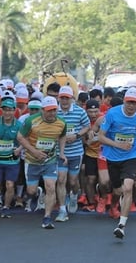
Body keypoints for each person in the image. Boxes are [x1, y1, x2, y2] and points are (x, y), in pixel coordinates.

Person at [98, 87, 136, 239]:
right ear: (124, 101)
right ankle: (114, 204)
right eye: (129, 102)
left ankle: (121, 225)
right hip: (113, 157)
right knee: (117, 191)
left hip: (131, 156)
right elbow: (101, 137)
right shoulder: (113, 113)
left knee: (128, 188)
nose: (131, 106)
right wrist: (118, 145)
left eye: (134, 103)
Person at [16, 96, 67, 229]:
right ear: (42, 110)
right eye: (49, 110)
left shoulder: (61, 123)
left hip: (50, 160)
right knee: (31, 191)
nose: (52, 113)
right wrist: (34, 151)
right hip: (32, 160)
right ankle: (36, 195)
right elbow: (20, 137)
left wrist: (61, 153)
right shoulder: (31, 121)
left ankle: (47, 217)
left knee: (51, 187)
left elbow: (62, 136)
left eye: (54, 110)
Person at [55, 86, 90, 221]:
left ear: (72, 99)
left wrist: (76, 135)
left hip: (75, 151)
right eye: (62, 98)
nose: (64, 101)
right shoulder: (54, 111)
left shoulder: (79, 111)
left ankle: (74, 195)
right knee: (61, 180)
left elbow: (87, 126)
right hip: (59, 152)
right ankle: (62, 210)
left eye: (67, 98)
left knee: (73, 180)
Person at [0, 98, 23, 218]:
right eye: (5, 110)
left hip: (12, 159)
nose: (8, 113)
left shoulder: (19, 125)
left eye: (10, 110)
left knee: (10, 184)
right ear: (2, 110)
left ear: (14, 111)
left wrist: (19, 149)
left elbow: (24, 140)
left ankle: (6, 207)